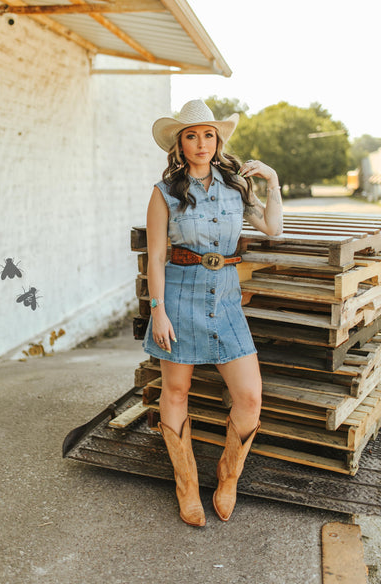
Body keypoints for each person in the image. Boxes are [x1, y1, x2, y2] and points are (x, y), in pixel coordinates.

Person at [143, 99, 283, 526]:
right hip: (179, 299)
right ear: (180, 144)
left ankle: (228, 476)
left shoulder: (237, 186)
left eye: (208, 134)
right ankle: (186, 486)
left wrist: (274, 182)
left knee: (250, 396)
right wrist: (158, 311)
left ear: (217, 140)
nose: (201, 143)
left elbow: (273, 228)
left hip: (225, 301)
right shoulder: (164, 192)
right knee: (176, 392)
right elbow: (155, 258)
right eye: (191, 135)